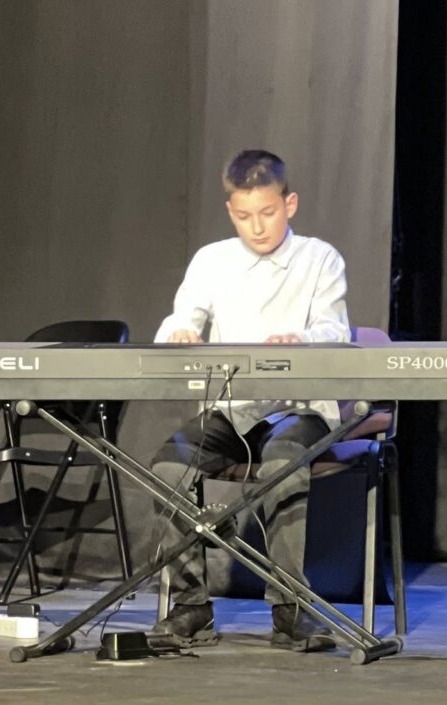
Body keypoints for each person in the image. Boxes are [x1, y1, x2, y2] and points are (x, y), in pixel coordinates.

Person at [150, 149, 350, 653]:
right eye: (244, 216)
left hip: (297, 408)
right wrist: (180, 333)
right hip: (232, 410)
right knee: (168, 467)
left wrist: (301, 339)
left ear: (290, 204)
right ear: (230, 211)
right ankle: (190, 606)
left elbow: (335, 331)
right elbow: (181, 317)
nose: (257, 227)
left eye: (267, 212)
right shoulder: (212, 260)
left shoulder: (320, 258)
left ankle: (290, 609)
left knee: (283, 464)